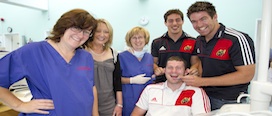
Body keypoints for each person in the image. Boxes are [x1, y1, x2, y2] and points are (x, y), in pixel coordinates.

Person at [0, 9, 99, 116]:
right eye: (76, 28)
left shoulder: (86, 57)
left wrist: (95, 114)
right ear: (64, 26)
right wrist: (20, 105)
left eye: (86, 32)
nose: (80, 35)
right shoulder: (33, 51)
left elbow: (91, 88)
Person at [184, 1, 256, 110]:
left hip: (229, 100)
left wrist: (203, 81)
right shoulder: (199, 40)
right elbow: (201, 61)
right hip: (204, 96)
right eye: (194, 21)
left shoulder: (236, 39)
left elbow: (247, 75)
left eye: (203, 19)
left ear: (215, 17)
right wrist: (195, 70)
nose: (199, 25)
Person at [131, 56, 210, 116]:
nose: (174, 71)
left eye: (178, 68)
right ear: (164, 70)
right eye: (170, 68)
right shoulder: (150, 89)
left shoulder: (196, 92)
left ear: (186, 72)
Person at [84, 18, 122, 116]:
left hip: (109, 104)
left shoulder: (114, 53)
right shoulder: (82, 51)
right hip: (87, 102)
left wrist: (119, 104)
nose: (102, 35)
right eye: (98, 31)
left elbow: (117, 82)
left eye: (106, 32)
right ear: (92, 33)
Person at [151, 9, 199, 83]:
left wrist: (193, 69)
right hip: (162, 83)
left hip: (186, 83)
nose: (174, 23)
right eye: (170, 21)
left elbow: (195, 63)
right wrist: (156, 69)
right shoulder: (157, 42)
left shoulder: (193, 41)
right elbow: (153, 63)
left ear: (182, 21)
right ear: (165, 23)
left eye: (178, 20)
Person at [116, 26, 154, 116]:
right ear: (129, 40)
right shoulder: (121, 57)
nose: (137, 41)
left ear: (145, 39)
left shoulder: (149, 57)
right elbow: (115, 79)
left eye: (140, 37)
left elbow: (152, 75)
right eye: (134, 38)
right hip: (129, 99)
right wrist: (131, 80)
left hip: (147, 99)